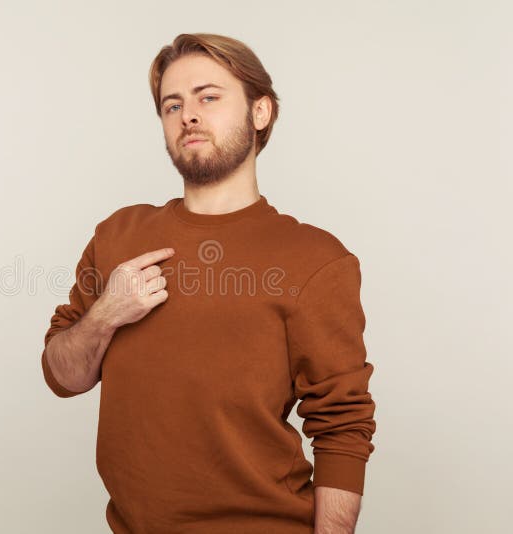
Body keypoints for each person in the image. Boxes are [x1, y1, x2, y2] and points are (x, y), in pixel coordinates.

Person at [40, 33, 377, 534]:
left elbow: (342, 428)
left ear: (260, 112)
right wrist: (106, 313)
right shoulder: (118, 235)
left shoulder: (316, 259)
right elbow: (63, 377)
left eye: (208, 97)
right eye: (171, 104)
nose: (188, 115)